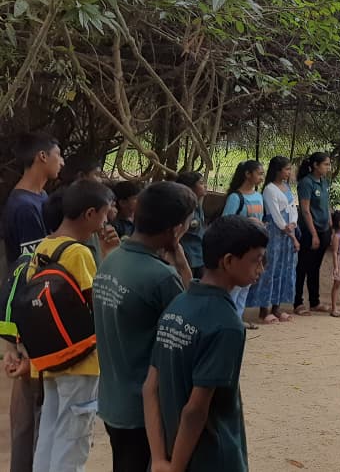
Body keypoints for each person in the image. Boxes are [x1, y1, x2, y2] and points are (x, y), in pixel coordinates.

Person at [143, 215, 267, 472]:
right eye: (256, 260)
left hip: (168, 450)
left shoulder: (177, 306)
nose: (261, 269)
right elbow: (195, 410)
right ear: (229, 261)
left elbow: (150, 388)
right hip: (212, 456)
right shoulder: (227, 325)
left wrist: (158, 459)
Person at [94, 181, 196, 472]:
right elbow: (190, 330)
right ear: (176, 229)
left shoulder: (111, 260)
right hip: (145, 411)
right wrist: (184, 271)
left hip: (113, 399)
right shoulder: (161, 277)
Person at [27, 180, 115, 472]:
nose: (106, 219)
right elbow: (97, 303)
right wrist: (107, 254)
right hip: (81, 360)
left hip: (50, 356)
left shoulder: (44, 246)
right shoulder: (79, 253)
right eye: (105, 213)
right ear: (90, 214)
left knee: (51, 430)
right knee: (73, 436)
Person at [3, 132, 64, 472]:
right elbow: (34, 269)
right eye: (58, 155)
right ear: (42, 157)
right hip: (32, 310)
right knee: (30, 403)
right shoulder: (25, 206)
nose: (62, 162)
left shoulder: (39, 199)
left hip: (38, 310)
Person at [250, 156, 299, 324]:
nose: (288, 172)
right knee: (270, 268)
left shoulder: (286, 187)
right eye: (286, 169)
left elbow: (292, 207)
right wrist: (285, 226)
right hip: (275, 232)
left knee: (284, 268)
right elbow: (274, 212)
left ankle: (277, 307)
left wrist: (293, 222)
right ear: (278, 170)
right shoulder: (269, 189)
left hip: (287, 233)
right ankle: (264, 308)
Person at [221, 160, 265, 330]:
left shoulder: (258, 196)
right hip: (240, 246)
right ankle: (229, 319)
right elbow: (226, 221)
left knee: (246, 285)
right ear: (248, 174)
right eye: (259, 173)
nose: (261, 177)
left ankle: (237, 318)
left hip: (255, 246)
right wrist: (247, 222)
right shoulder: (235, 197)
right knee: (235, 287)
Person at [295, 152, 333, 316]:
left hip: (324, 228)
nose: (328, 167)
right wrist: (313, 233)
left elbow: (326, 205)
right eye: (325, 164)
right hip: (310, 230)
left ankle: (314, 301)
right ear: (315, 165)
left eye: (329, 164)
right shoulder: (306, 183)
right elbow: (305, 210)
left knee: (315, 266)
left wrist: (331, 227)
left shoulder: (324, 182)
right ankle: (297, 302)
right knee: (303, 266)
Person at [175, 172, 207, 281]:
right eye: (201, 183)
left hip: (200, 256)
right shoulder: (183, 208)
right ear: (190, 187)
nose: (205, 186)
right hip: (186, 256)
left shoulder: (198, 206)